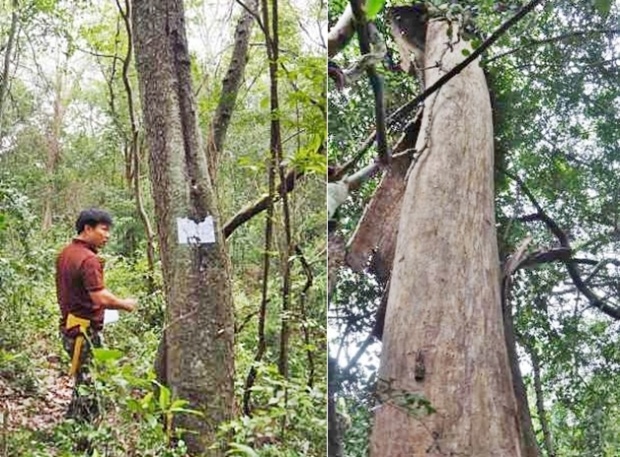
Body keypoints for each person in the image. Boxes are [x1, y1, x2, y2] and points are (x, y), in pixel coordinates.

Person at [55, 208, 137, 420]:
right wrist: (124, 304)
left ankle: (72, 424)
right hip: (84, 333)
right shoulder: (88, 259)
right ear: (87, 228)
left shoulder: (66, 253)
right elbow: (99, 297)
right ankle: (83, 439)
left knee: (83, 381)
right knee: (90, 386)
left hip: (70, 328)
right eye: (104, 229)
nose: (107, 235)